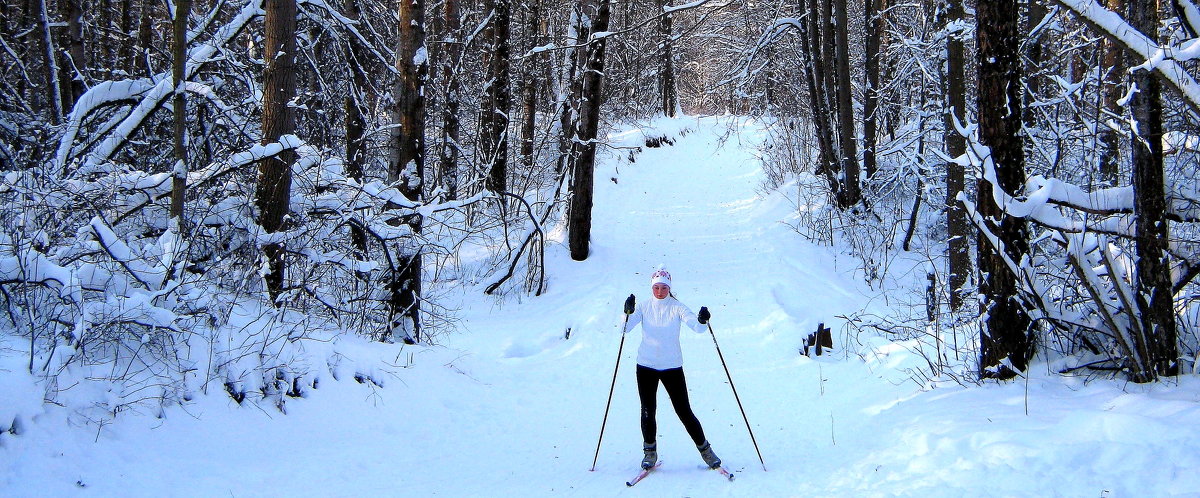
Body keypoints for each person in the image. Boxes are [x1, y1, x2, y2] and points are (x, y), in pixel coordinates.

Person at [621, 267, 721, 470]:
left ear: (669, 288)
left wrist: (703, 320)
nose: (659, 291)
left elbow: (697, 327)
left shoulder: (677, 307)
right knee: (648, 410)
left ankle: (706, 451)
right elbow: (625, 327)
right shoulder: (643, 306)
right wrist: (627, 312)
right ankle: (650, 452)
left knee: (684, 410)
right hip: (646, 366)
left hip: (672, 367)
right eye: (656, 287)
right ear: (651, 287)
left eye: (664, 287)